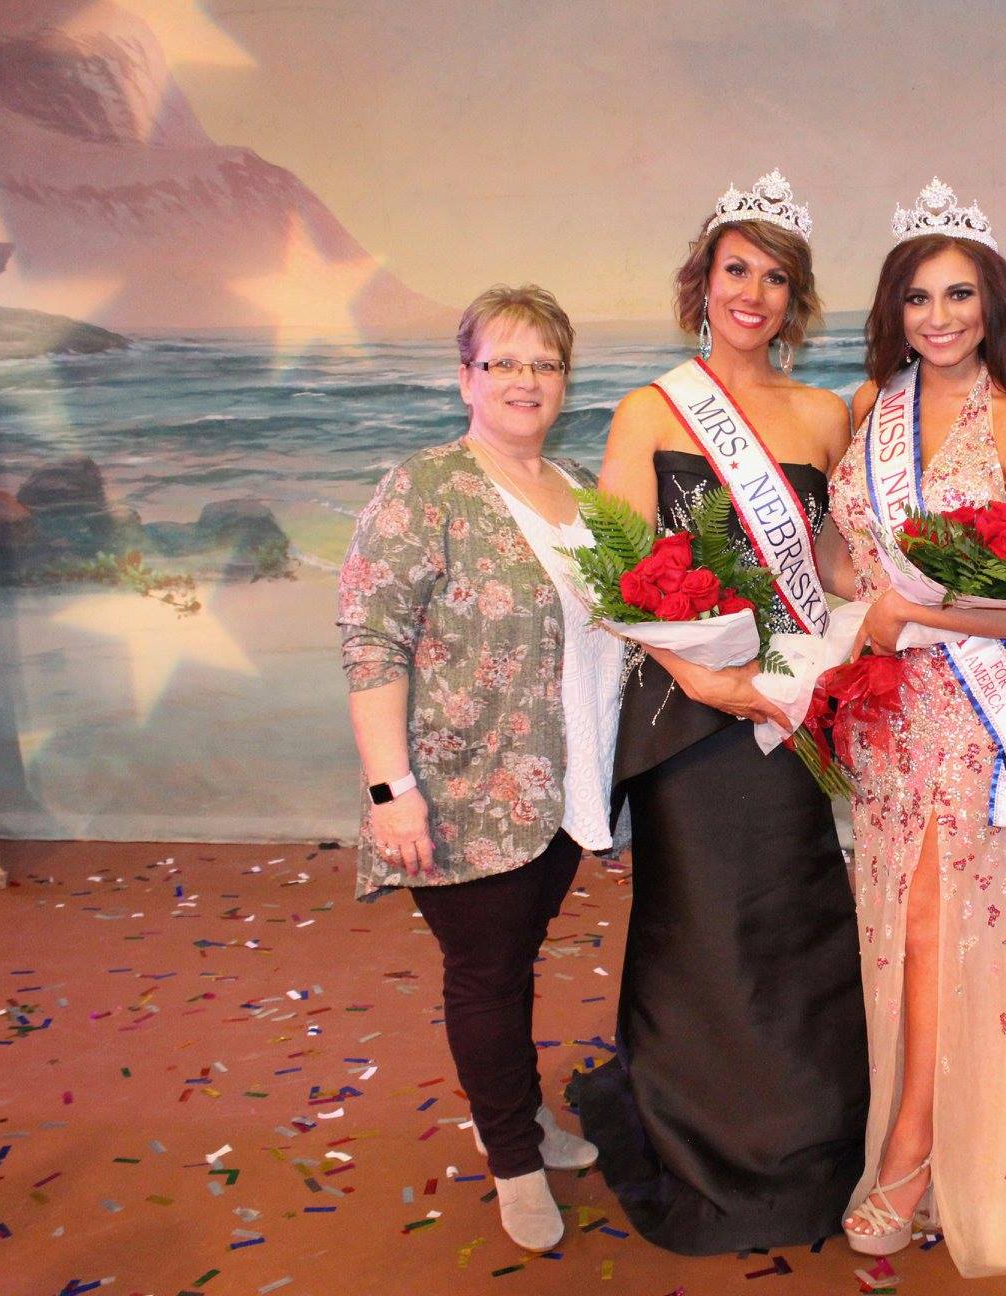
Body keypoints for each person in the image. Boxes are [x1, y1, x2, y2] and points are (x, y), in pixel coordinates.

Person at [564, 170, 870, 1254]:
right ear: (702, 284)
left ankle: (810, 1141)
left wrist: (908, 590)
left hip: (785, 706)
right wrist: (698, 676)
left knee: (796, 922)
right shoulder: (651, 409)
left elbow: (828, 564)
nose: (753, 293)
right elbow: (615, 571)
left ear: (796, 300)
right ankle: (702, 1146)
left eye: (775, 278)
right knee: (703, 930)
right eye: (736, 270)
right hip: (689, 718)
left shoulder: (824, 414)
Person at [337, 284, 623, 1253]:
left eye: (544, 363)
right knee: (488, 975)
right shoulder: (424, 489)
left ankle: (522, 1115)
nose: (524, 380)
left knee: (516, 959)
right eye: (503, 362)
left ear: (565, 380)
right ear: (466, 378)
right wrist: (392, 792)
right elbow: (371, 641)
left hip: (565, 786)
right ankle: (512, 1158)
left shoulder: (582, 491)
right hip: (460, 791)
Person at [827, 179, 1006, 1276]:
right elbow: (840, 551)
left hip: (965, 713)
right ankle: (919, 1129)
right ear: (895, 308)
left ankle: (912, 1156)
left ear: (991, 303)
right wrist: (849, 607)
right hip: (880, 715)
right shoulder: (865, 408)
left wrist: (915, 614)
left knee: (934, 924)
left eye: (959, 294)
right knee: (894, 925)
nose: (939, 317)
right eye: (919, 297)